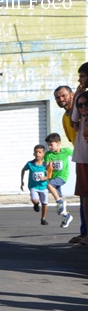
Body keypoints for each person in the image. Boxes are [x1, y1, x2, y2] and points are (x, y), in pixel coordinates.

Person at [72, 63, 88, 248]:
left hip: (84, 156)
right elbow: (74, 120)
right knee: (85, 196)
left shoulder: (82, 96)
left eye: (82, 76)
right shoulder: (82, 96)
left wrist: (78, 95)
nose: (80, 80)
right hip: (83, 156)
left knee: (86, 196)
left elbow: (74, 119)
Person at [43, 133, 74, 228]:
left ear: (58, 143)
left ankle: (59, 202)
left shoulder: (66, 151)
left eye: (51, 145)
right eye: (48, 145)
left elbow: (76, 154)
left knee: (49, 186)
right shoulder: (48, 154)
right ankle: (66, 215)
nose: (49, 147)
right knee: (59, 199)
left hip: (62, 177)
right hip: (53, 177)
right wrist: (47, 166)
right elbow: (46, 165)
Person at [20, 144, 50, 225]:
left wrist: (45, 178)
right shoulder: (30, 164)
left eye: (39, 152)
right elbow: (23, 170)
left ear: (43, 154)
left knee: (44, 203)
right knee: (35, 199)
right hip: (33, 186)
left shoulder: (45, 165)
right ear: (33, 154)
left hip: (44, 186)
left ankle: (43, 219)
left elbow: (50, 175)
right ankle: (36, 204)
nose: (37, 154)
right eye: (36, 152)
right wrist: (22, 182)